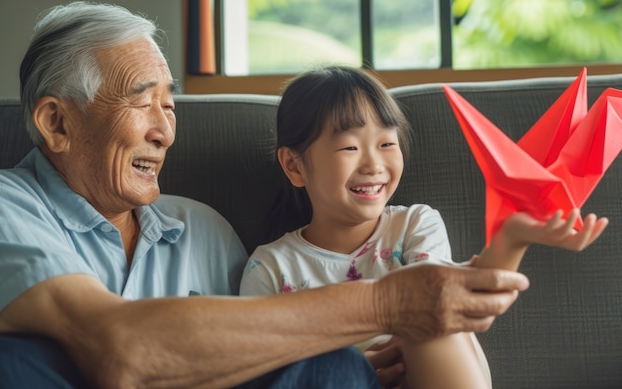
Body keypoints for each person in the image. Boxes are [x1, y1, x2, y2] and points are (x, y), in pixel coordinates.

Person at [0, 0, 541, 389]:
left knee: (336, 371)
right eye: (143, 103)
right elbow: (122, 354)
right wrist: (392, 303)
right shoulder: (6, 209)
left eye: (171, 106)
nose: (166, 131)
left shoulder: (204, 231)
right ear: (56, 122)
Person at [239, 66, 608, 388]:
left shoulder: (415, 223)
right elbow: (255, 368)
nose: (374, 164)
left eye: (386, 143)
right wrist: (352, 367)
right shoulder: (270, 267)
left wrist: (513, 236)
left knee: (430, 315)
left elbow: (461, 304)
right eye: (350, 148)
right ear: (295, 166)